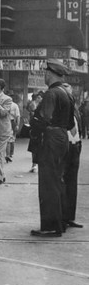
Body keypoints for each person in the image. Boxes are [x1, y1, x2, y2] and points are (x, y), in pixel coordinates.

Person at [29, 59, 74, 237]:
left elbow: (43, 118)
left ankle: (50, 226)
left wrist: (34, 125)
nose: (44, 76)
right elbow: (70, 122)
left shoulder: (51, 93)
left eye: (45, 73)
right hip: (63, 137)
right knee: (58, 180)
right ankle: (61, 222)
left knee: (48, 182)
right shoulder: (67, 93)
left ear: (50, 73)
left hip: (51, 138)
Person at [61, 83, 83, 230]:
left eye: (71, 95)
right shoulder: (60, 109)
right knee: (62, 183)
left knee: (72, 184)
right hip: (65, 147)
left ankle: (70, 217)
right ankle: (61, 217)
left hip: (75, 146)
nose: (69, 98)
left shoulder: (74, 110)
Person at [5, 92, 21, 163]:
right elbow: (18, 116)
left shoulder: (11, 105)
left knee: (10, 139)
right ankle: (9, 154)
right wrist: (17, 124)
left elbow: (17, 116)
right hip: (9, 122)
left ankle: (9, 154)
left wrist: (17, 124)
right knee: (10, 139)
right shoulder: (14, 105)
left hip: (10, 122)